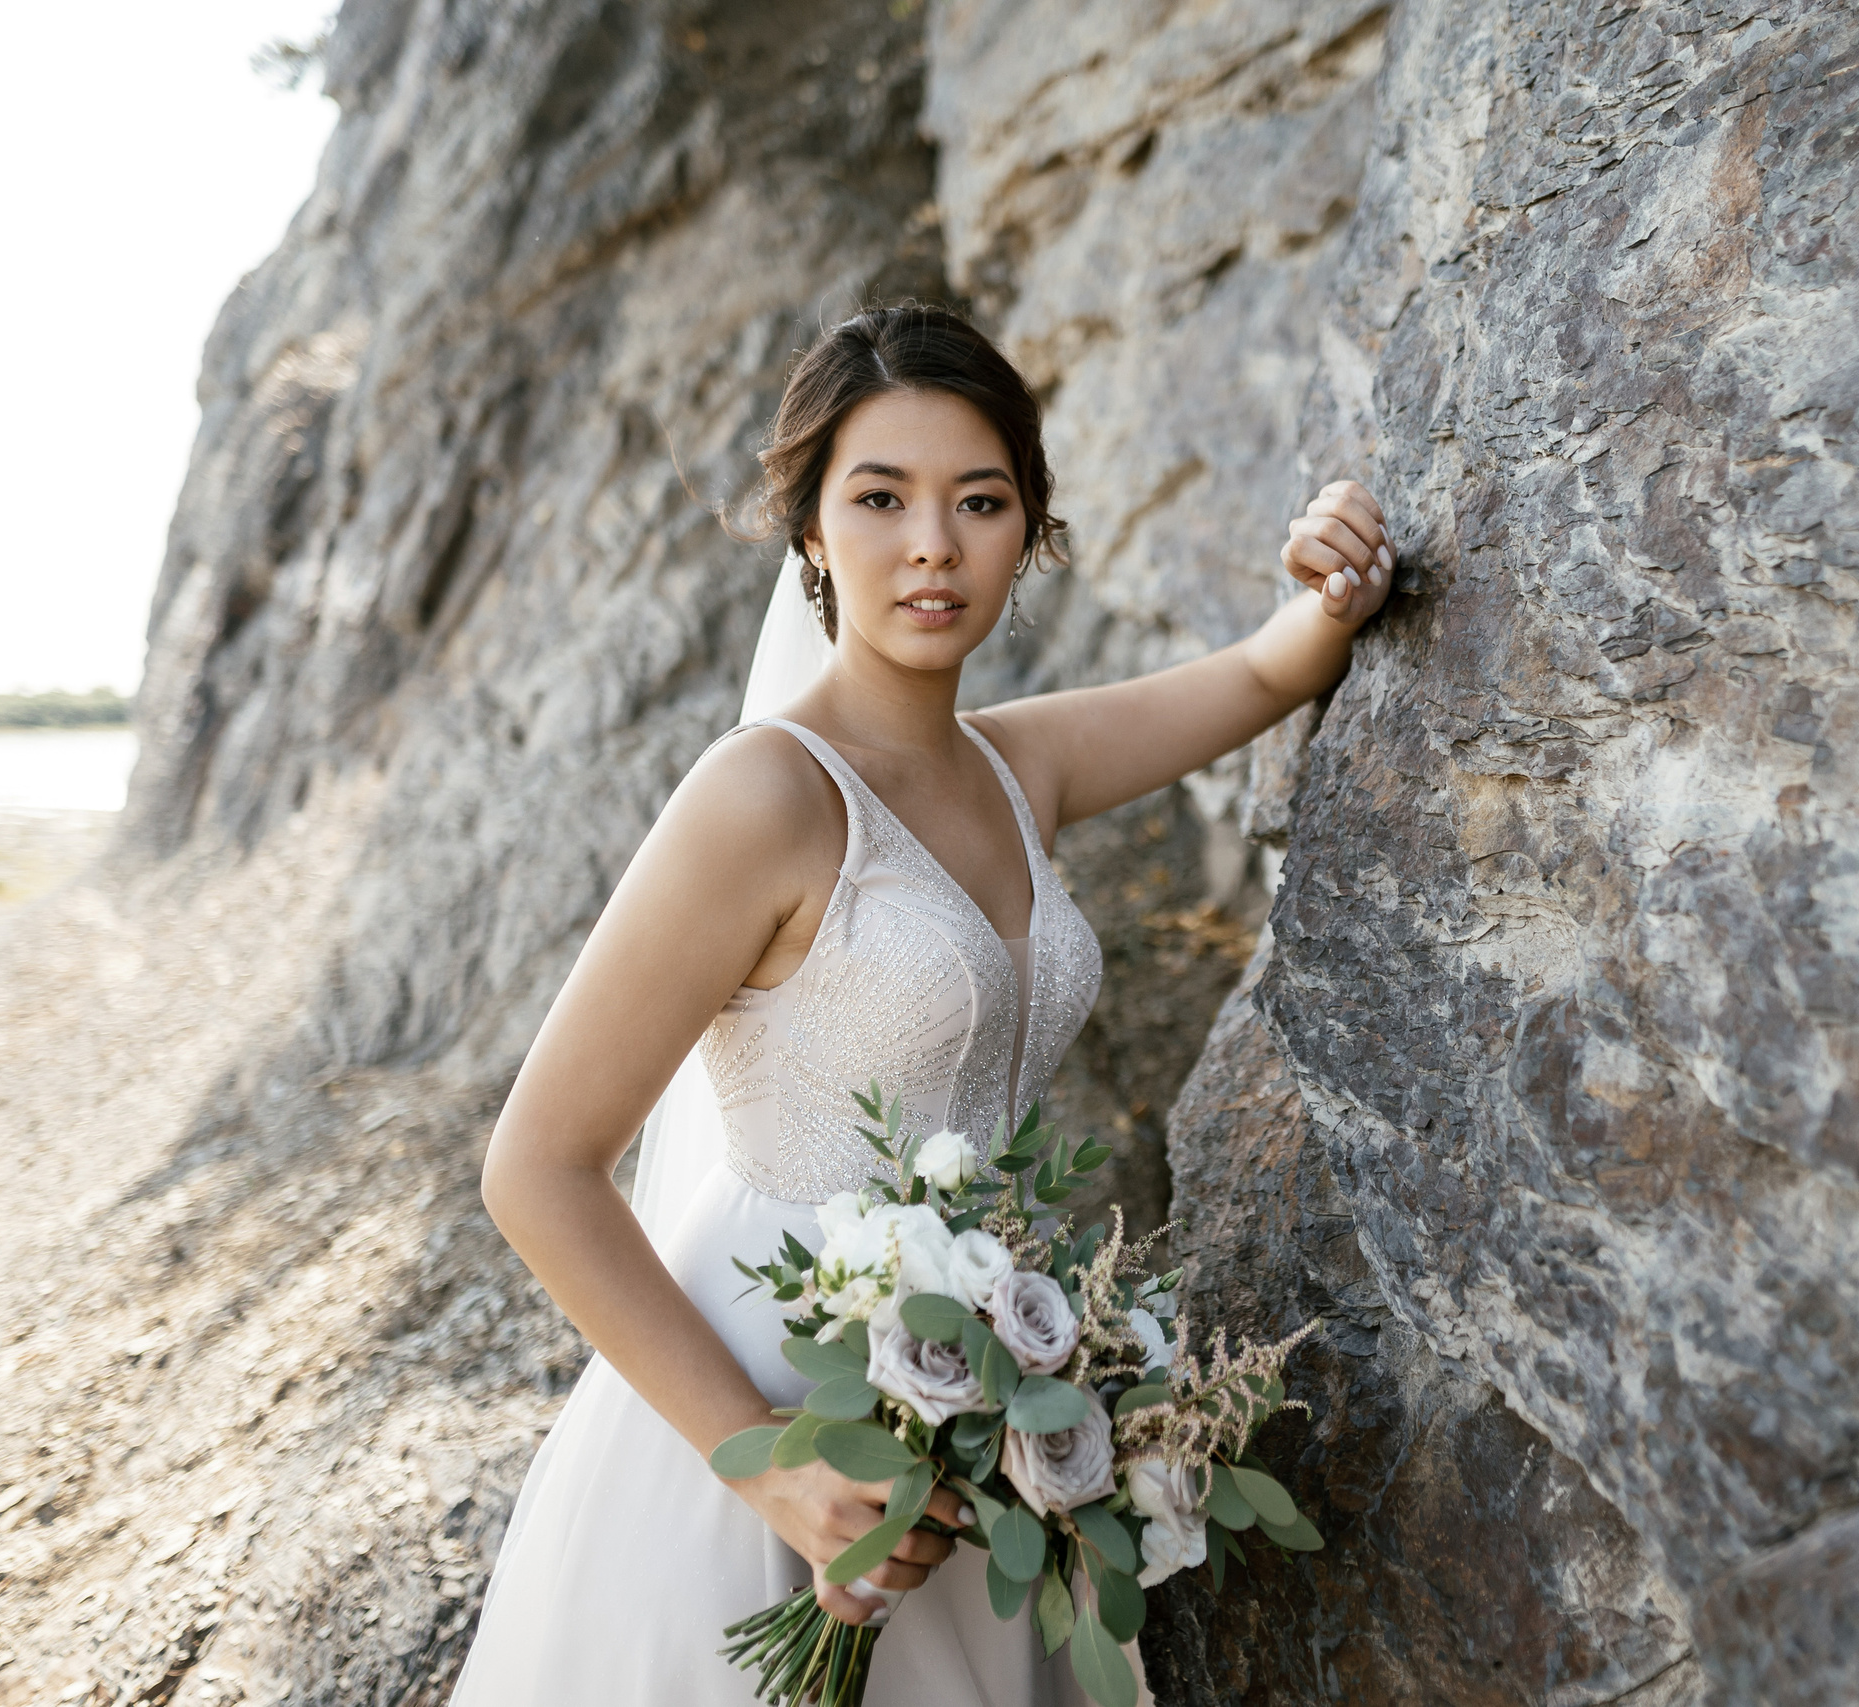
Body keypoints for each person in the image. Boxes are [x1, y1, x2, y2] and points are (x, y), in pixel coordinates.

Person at [451, 302, 1390, 1704]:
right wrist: (772, 1464)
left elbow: (1267, 672)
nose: (934, 544)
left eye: (981, 500)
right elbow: (535, 1168)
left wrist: (1337, 560)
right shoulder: (759, 797)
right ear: (813, 533)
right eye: (880, 498)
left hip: (981, 1409)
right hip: (767, 1395)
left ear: (1031, 531)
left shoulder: (1026, 767)